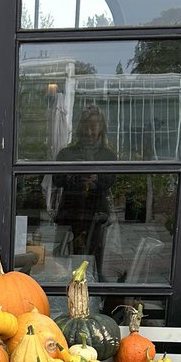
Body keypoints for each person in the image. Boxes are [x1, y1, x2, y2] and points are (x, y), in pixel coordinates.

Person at [54, 105, 117, 283]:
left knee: (95, 260)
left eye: (93, 126)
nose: (89, 132)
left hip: (97, 216)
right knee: (62, 262)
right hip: (69, 214)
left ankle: (94, 296)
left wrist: (97, 181)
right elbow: (56, 180)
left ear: (101, 128)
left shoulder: (108, 155)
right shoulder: (66, 154)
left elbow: (113, 181)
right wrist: (74, 179)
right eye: (86, 127)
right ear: (79, 128)